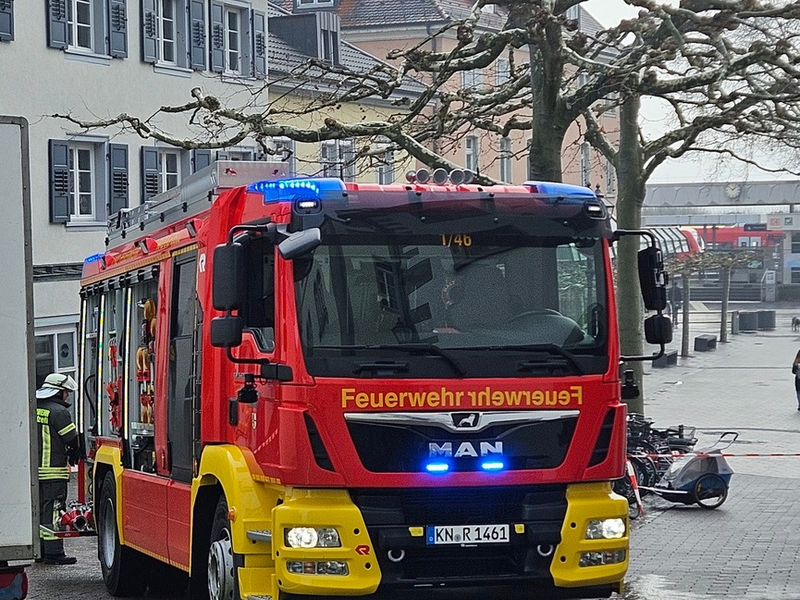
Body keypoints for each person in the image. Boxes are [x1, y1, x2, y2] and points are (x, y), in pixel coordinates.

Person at [35, 373, 80, 565]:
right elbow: (71, 438)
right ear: (59, 392)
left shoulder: (34, 407)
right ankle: (54, 553)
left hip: (34, 472)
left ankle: (41, 551)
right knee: (54, 510)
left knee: (39, 510)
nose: (67, 396)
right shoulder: (59, 412)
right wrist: (75, 454)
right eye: (66, 392)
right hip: (53, 470)